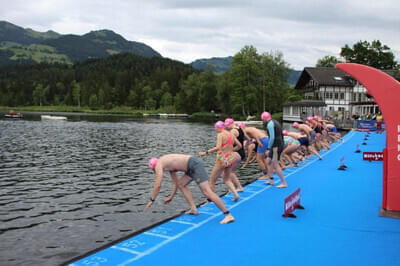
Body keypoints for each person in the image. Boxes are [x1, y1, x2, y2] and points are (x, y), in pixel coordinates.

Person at [144, 154, 235, 224]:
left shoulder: (159, 165)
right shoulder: (167, 164)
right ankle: (193, 209)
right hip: (190, 167)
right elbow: (176, 183)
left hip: (194, 165)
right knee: (181, 184)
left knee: (207, 192)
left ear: (154, 167)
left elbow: (158, 184)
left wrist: (152, 200)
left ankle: (228, 215)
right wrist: (171, 197)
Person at [198, 121, 241, 202]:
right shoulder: (231, 134)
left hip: (222, 158)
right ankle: (236, 194)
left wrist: (205, 152)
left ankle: (209, 200)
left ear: (218, 128)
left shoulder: (220, 135)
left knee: (212, 180)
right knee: (226, 179)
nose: (216, 131)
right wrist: (231, 151)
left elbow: (218, 147)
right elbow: (239, 146)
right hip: (230, 157)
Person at [261, 112, 288, 188]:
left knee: (275, 165)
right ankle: (271, 180)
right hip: (277, 145)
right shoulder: (275, 122)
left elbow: (272, 137)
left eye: (263, 120)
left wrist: (268, 148)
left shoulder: (270, 124)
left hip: (276, 147)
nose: (263, 121)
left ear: (265, 118)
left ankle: (284, 183)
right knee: (268, 161)